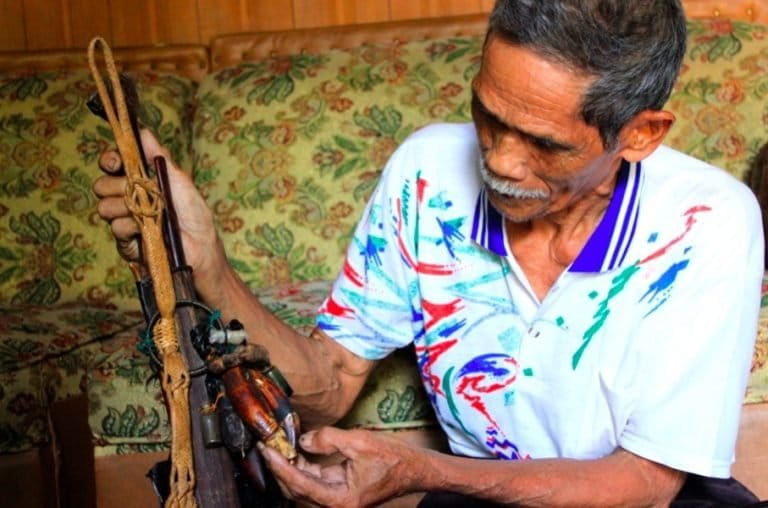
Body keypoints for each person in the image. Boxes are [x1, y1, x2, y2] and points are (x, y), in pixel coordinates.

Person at [94, 0, 764, 506]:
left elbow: (645, 481)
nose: (499, 161)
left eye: (544, 145)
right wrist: (208, 262)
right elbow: (327, 386)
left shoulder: (706, 222)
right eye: (487, 116)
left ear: (641, 134)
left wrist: (419, 470)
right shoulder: (426, 172)